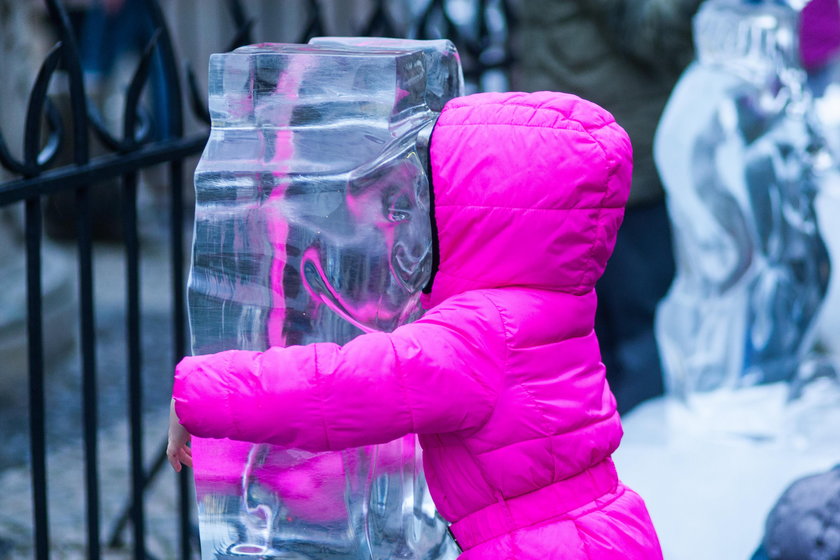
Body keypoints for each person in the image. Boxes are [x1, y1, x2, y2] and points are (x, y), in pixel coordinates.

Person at [168, 90, 663, 559]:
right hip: (603, 530)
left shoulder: (482, 332)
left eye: (424, 199)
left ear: (479, 213)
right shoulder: (551, 301)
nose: (406, 219)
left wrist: (202, 392)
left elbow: (344, 388)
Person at [511, 0, 702, 413]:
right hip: (618, 153)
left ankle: (602, 436)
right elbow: (652, 35)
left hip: (573, 145)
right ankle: (634, 447)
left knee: (592, 329)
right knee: (640, 332)